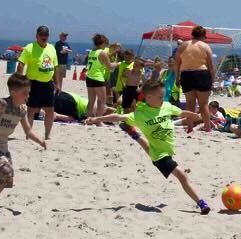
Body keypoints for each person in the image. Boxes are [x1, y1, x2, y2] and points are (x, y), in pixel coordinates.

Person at [85, 79, 211, 214]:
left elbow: (180, 113)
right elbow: (118, 117)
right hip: (161, 156)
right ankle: (201, 203)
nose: (163, 99)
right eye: (160, 97)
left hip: (163, 150)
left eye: (163, 96)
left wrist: (192, 115)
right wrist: (96, 119)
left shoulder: (166, 106)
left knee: (150, 149)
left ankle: (133, 133)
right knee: (182, 176)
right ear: (149, 97)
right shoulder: (141, 114)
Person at [0, 74, 46, 208]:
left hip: (2, 147)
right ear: (13, 92)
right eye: (24, 93)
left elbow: (28, 131)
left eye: (28, 93)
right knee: (7, 172)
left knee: (7, 179)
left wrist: (40, 141)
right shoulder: (1, 104)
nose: (28, 96)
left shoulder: (22, 110)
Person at [16, 25, 58, 139]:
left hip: (48, 84)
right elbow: (21, 65)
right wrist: (20, 83)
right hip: (33, 84)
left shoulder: (52, 48)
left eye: (46, 35)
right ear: (37, 36)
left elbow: (55, 67)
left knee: (50, 110)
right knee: (32, 110)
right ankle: (28, 135)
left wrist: (57, 83)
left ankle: (47, 135)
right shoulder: (29, 48)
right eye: (41, 35)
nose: (44, 37)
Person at [175, 25, 215, 131]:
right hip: (202, 74)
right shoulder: (205, 46)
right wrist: (213, 79)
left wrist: (177, 77)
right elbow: (211, 66)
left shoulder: (183, 45)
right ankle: (207, 127)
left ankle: (190, 126)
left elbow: (177, 63)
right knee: (203, 105)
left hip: (186, 74)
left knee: (190, 104)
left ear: (192, 34)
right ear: (203, 35)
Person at [84, 34, 114, 121]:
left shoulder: (91, 52)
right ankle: (98, 121)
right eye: (106, 44)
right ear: (103, 43)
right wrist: (118, 64)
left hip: (89, 77)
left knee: (91, 101)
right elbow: (110, 67)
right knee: (102, 100)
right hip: (98, 78)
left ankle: (88, 119)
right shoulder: (102, 53)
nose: (106, 46)